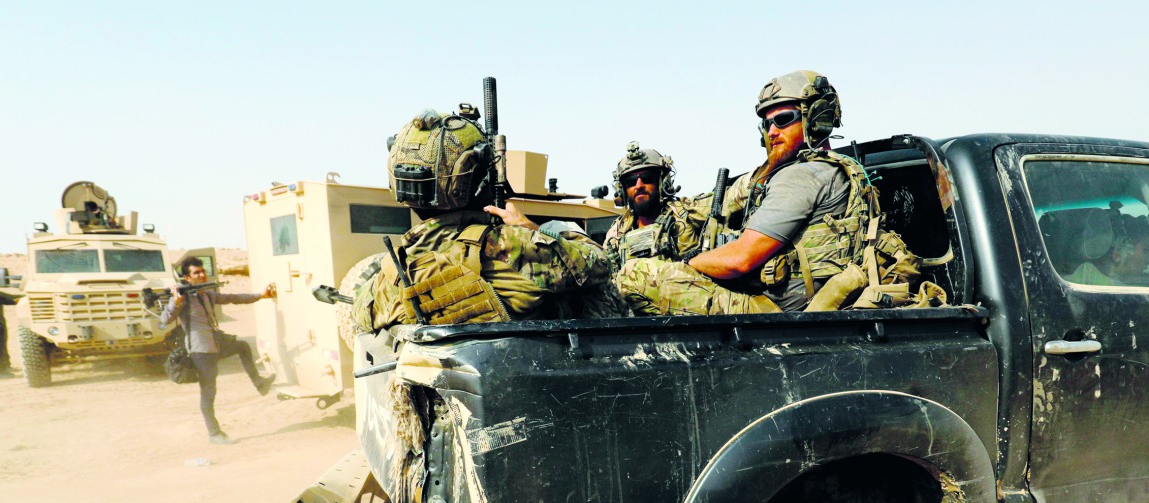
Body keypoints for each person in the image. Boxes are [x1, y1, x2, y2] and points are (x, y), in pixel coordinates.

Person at [617, 70, 874, 315]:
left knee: (633, 274)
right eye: (767, 123)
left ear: (817, 118)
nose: (772, 131)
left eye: (783, 120)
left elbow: (740, 259)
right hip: (803, 302)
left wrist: (687, 265)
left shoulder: (801, 176)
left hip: (773, 311)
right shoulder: (837, 167)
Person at [353, 106, 621, 333]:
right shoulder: (509, 245)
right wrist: (536, 229)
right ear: (473, 179)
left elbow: (360, 316)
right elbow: (599, 265)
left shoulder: (391, 274)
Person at [161, 257, 276, 444]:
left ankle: (260, 384)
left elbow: (233, 298)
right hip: (201, 351)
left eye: (202, 271)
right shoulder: (183, 298)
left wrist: (260, 296)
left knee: (243, 346)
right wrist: (176, 300)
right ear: (187, 278)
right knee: (208, 392)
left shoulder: (206, 294)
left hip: (214, 345)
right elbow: (164, 319)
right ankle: (214, 434)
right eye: (196, 273)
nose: (201, 275)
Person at [603, 142, 707, 266]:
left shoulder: (685, 213)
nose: (639, 186)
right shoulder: (616, 234)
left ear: (663, 183)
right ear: (622, 191)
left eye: (647, 178)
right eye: (631, 182)